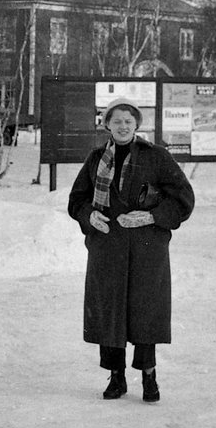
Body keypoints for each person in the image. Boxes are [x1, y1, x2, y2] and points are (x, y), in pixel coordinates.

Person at [67, 98, 195, 402]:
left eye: (128, 121)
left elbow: (183, 200)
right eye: (116, 121)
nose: (122, 126)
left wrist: (151, 216)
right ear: (107, 125)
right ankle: (116, 377)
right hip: (107, 246)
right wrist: (90, 216)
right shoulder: (97, 157)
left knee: (145, 311)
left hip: (146, 247)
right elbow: (77, 200)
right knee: (110, 311)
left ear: (137, 124)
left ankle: (149, 377)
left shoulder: (157, 157)